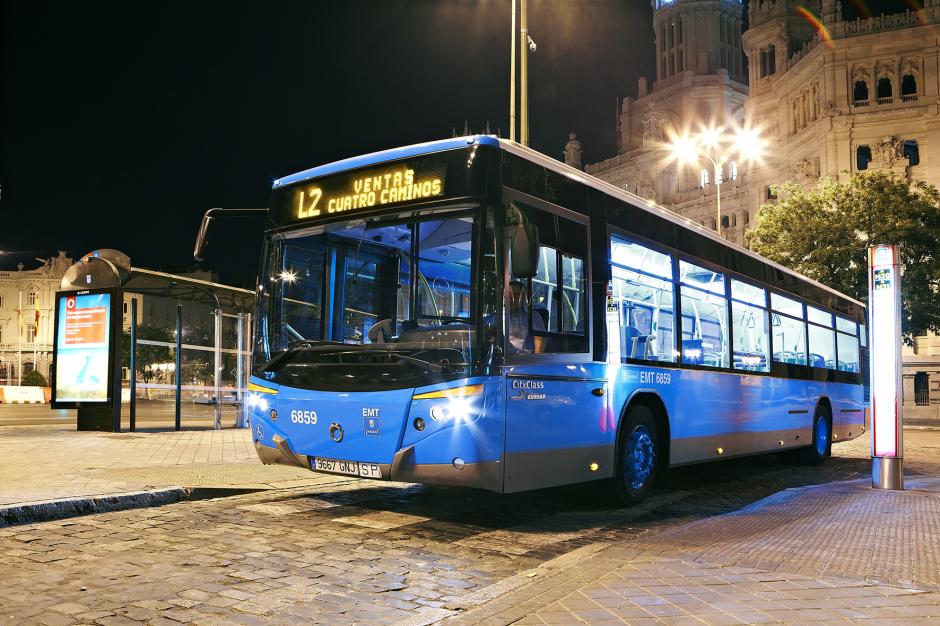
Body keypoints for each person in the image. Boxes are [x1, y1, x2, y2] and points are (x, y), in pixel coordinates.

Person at [507, 279, 545, 354]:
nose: (511, 298)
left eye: (515, 295)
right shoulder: (494, 318)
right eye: (508, 294)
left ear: (524, 298)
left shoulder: (533, 317)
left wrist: (535, 361)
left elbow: (540, 341)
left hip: (522, 359)